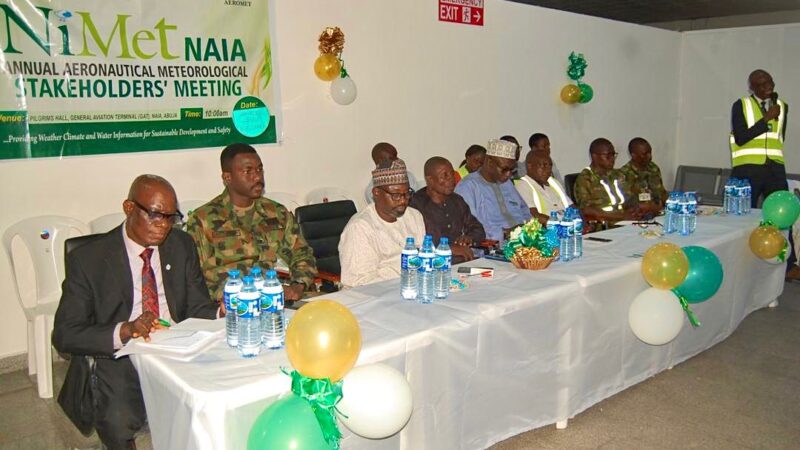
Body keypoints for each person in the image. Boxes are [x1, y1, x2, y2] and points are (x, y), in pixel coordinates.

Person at [53, 175, 221, 450]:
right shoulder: (88, 259)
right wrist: (125, 330)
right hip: (123, 352)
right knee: (117, 415)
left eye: (170, 217)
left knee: (218, 386)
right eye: (155, 215)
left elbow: (196, 306)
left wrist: (220, 312)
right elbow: (64, 334)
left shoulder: (180, 245)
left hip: (177, 345)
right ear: (129, 208)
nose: (164, 226)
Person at [185, 143, 317, 303]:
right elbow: (193, 278)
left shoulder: (276, 212)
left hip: (273, 298)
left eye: (260, 170)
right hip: (229, 304)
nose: (257, 177)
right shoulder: (203, 219)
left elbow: (301, 253)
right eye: (248, 171)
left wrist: (298, 285)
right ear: (227, 178)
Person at [729, 69, 798, 281]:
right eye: (760, 84)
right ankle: (738, 264)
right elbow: (741, 137)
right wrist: (766, 118)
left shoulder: (783, 107)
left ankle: (787, 266)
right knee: (742, 218)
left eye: (769, 82)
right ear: (752, 87)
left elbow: (779, 138)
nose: (766, 87)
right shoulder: (741, 105)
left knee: (782, 216)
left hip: (774, 169)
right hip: (748, 169)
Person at [340, 159, 426, 287]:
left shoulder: (414, 216)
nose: (403, 201)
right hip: (374, 296)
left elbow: (424, 258)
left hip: (411, 288)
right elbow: (359, 283)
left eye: (407, 194)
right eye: (396, 195)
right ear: (376, 193)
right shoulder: (360, 228)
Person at [410, 156, 486, 263]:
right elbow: (413, 244)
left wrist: (469, 238)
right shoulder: (415, 206)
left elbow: (478, 229)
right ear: (430, 180)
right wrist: (447, 249)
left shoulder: (457, 200)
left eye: (452, 174)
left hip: (464, 262)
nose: (451, 179)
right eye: (445, 175)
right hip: (433, 266)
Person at [455, 139, 532, 241]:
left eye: (511, 170)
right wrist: (506, 233)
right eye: (504, 169)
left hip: (524, 241)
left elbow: (525, 211)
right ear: (489, 162)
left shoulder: (507, 183)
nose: (508, 174)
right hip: (493, 248)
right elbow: (470, 229)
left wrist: (530, 228)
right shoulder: (468, 187)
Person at [573, 138, 643, 230]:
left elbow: (629, 198)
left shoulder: (617, 175)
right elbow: (587, 211)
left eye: (613, 155)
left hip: (626, 222)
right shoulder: (585, 178)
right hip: (604, 226)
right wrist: (622, 216)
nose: (612, 159)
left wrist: (635, 209)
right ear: (594, 156)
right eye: (608, 155)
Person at [515, 151, 572, 225]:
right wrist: (560, 226)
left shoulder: (554, 183)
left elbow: (572, 207)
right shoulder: (522, 185)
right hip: (548, 231)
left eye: (550, 166)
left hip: (569, 228)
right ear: (530, 166)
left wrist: (582, 224)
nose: (549, 170)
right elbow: (534, 216)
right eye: (544, 166)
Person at [619, 137, 668, 216]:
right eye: (645, 154)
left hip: (659, 213)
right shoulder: (624, 174)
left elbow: (662, 193)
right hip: (638, 216)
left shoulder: (653, 168)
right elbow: (626, 204)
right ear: (634, 155)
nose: (649, 156)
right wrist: (651, 207)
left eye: (650, 152)